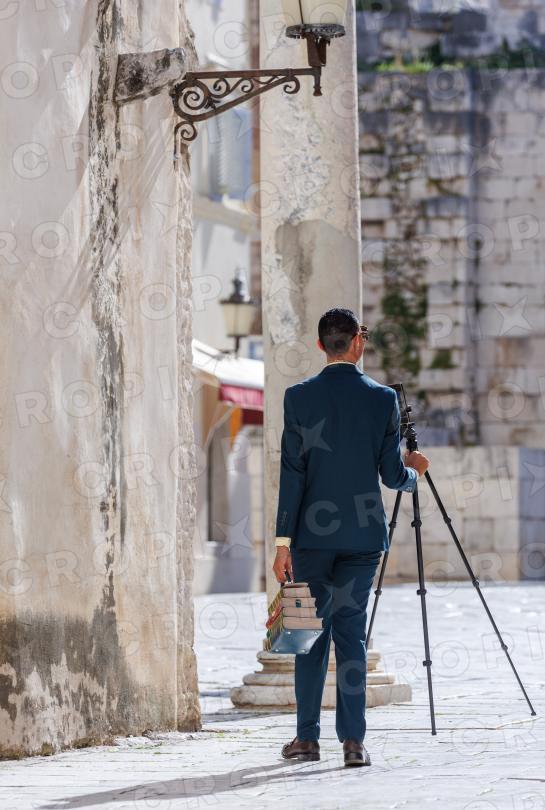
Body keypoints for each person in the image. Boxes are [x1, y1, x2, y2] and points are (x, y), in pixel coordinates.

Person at [273, 307, 430, 768]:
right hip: (363, 539)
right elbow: (392, 475)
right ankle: (354, 743)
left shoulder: (297, 397)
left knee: (307, 637)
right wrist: (415, 473)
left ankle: (306, 739)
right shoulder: (382, 399)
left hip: (310, 541)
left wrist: (282, 543)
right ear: (357, 343)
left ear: (320, 345)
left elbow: (291, 475)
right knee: (352, 637)